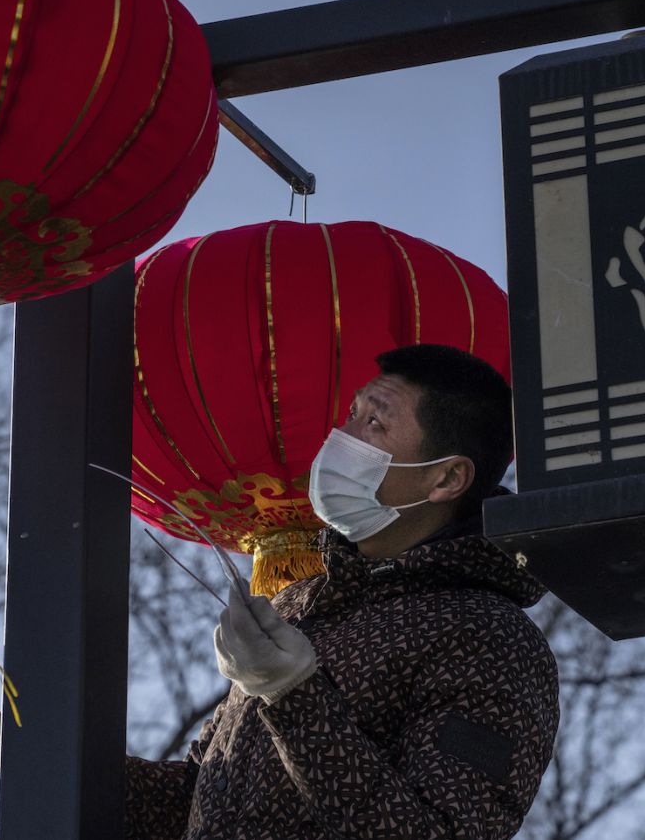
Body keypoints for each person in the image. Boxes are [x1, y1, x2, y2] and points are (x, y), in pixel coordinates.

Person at [125, 344, 559, 839]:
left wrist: (292, 695)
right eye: (352, 413)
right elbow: (197, 800)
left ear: (447, 477)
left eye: (375, 423)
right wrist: (27, 752)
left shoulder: (490, 639)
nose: (340, 437)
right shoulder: (301, 602)